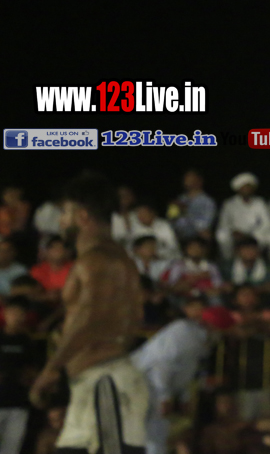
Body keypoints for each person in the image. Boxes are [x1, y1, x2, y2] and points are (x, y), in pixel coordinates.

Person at [29, 172, 149, 454]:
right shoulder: (114, 258)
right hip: (96, 384)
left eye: (65, 213)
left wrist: (51, 369)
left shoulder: (99, 259)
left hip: (105, 383)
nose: (61, 221)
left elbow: (90, 317)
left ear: (82, 216)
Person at [132, 298, 235, 454]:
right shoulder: (183, 332)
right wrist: (164, 396)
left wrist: (184, 397)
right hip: (145, 384)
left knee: (158, 433)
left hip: (156, 388)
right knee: (153, 433)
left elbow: (185, 370)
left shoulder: (200, 341)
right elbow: (161, 365)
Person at [226, 286, 270, 420]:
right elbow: (239, 333)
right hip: (239, 372)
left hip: (265, 371)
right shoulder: (230, 315)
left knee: (266, 415)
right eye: (243, 295)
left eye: (251, 295)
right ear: (235, 299)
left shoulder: (268, 313)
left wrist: (249, 322)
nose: (248, 298)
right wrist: (259, 322)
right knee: (242, 416)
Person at [0, 296, 42, 454]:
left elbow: (34, 370)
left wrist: (27, 376)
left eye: (20, 314)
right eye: (13, 313)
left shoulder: (27, 342)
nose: (17, 317)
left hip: (19, 403)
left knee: (12, 448)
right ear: (5, 313)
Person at [216, 174, 270, 263]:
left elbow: (267, 223)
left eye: (249, 187)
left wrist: (253, 234)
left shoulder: (260, 202)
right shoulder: (229, 203)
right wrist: (233, 231)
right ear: (238, 189)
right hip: (236, 234)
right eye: (244, 187)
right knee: (221, 235)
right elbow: (224, 223)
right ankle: (228, 260)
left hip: (256, 234)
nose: (247, 190)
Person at [170, 170, 216, 242]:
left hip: (197, 237)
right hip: (179, 237)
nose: (187, 181)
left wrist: (186, 211)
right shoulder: (179, 200)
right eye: (186, 179)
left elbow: (204, 226)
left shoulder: (207, 201)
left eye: (191, 179)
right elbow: (171, 220)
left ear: (199, 180)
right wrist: (173, 211)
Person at [29, 236, 73, 303]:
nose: (58, 250)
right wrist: (47, 297)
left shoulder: (74, 268)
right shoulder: (37, 270)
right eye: (53, 247)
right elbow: (33, 293)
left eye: (61, 247)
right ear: (45, 251)